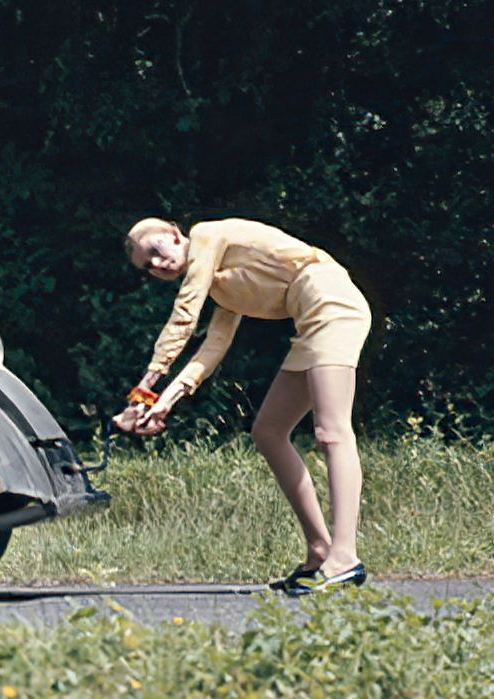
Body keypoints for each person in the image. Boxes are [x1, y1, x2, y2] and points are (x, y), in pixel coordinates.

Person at [113, 216, 372, 593]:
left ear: (174, 233)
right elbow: (213, 346)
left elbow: (185, 316)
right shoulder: (221, 284)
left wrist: (144, 390)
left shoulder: (207, 235)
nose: (155, 265)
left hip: (331, 303)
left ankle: (345, 558)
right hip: (311, 318)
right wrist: (165, 402)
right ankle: (320, 549)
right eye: (146, 266)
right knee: (268, 432)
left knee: (331, 431)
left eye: (155, 251)